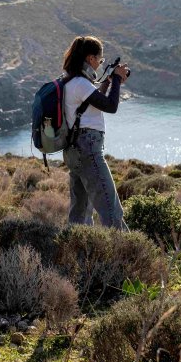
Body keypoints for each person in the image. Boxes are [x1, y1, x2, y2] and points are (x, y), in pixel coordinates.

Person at [61, 35, 129, 229]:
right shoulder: (81, 84)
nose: (100, 63)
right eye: (100, 59)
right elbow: (110, 106)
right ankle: (128, 253)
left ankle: (78, 252)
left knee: (80, 212)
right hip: (88, 148)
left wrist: (108, 82)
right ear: (90, 58)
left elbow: (93, 100)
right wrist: (116, 78)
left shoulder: (70, 81)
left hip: (75, 151)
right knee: (111, 207)